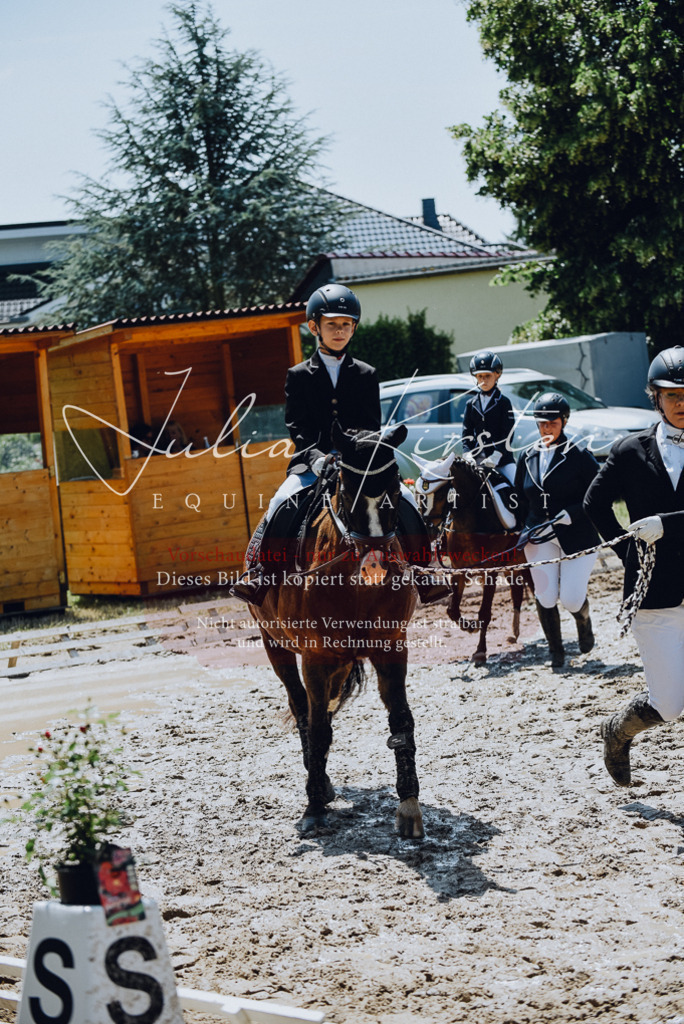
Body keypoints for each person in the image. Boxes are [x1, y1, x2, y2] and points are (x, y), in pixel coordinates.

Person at [231, 284, 442, 606]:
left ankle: (423, 572)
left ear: (354, 328)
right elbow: (297, 427)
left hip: (360, 462)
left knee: (409, 499)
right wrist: (315, 457)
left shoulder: (366, 374)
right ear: (314, 327)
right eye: (331, 324)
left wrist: (358, 453)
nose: (339, 330)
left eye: (346, 324)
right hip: (312, 462)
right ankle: (263, 573)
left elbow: (371, 426)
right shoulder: (298, 375)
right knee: (280, 502)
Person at [584, 346, 684, 786]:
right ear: (655, 397)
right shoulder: (629, 450)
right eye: (672, 393)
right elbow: (594, 504)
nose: (682, 401)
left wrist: (666, 523)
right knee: (669, 704)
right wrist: (629, 554)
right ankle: (617, 731)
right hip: (655, 596)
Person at [514, 392, 601, 667]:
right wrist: (521, 528)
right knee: (546, 595)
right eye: (541, 423)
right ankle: (556, 651)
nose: (546, 428)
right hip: (539, 536)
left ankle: (583, 622)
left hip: (577, 535)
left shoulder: (579, 455)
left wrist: (573, 513)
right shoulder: (527, 456)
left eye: (551, 423)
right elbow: (520, 497)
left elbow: (598, 494)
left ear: (564, 421)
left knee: (572, 599)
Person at [462, 350, 516, 484]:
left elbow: (507, 433)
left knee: (518, 485)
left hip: (501, 460)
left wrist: (496, 455)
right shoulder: (471, 404)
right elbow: (466, 433)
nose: (483, 380)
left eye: (487, 376)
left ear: (497, 375)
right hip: (477, 460)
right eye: (479, 376)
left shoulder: (504, 402)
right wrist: (468, 454)